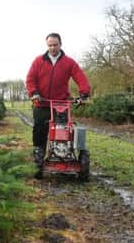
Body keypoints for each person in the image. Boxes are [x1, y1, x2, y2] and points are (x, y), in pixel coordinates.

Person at [25, 33, 90, 169]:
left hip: (61, 104)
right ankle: (39, 153)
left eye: (55, 45)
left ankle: (65, 153)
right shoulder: (38, 61)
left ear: (60, 44)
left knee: (64, 131)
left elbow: (80, 77)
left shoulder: (69, 62)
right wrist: (34, 93)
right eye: (50, 45)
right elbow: (30, 79)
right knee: (39, 131)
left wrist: (84, 93)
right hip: (42, 102)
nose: (52, 48)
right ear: (47, 45)